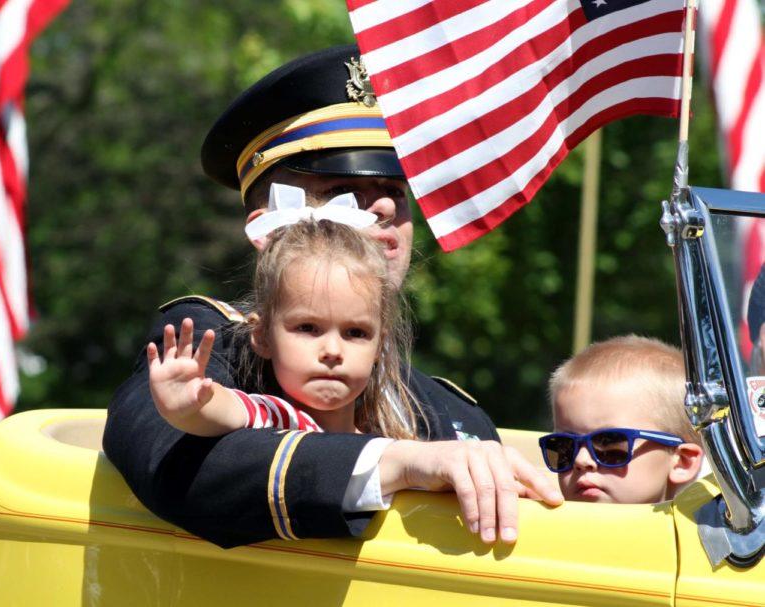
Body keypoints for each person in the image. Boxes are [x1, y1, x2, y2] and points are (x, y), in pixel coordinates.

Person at [104, 44, 562, 549]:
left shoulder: (454, 411)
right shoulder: (209, 343)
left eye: (396, 189)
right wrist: (396, 462)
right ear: (269, 225)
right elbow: (169, 464)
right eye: (349, 188)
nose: (386, 205)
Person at [149, 214, 421, 441]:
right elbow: (227, 408)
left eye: (356, 333)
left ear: (379, 345)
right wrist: (186, 404)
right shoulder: (278, 418)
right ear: (263, 336)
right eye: (308, 328)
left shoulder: (391, 443)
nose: (333, 350)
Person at [540, 335, 704, 503]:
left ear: (682, 462)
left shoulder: (711, 527)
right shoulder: (529, 521)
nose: (580, 460)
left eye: (608, 444)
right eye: (564, 446)